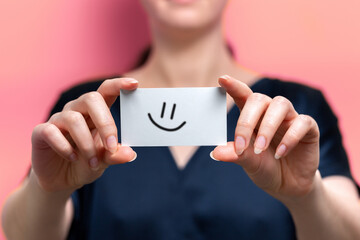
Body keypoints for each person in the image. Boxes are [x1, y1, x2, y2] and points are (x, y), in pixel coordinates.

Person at [2, 0, 360, 239]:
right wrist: (47, 191)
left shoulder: (295, 108)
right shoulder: (87, 108)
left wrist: (307, 196)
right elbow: (20, 230)